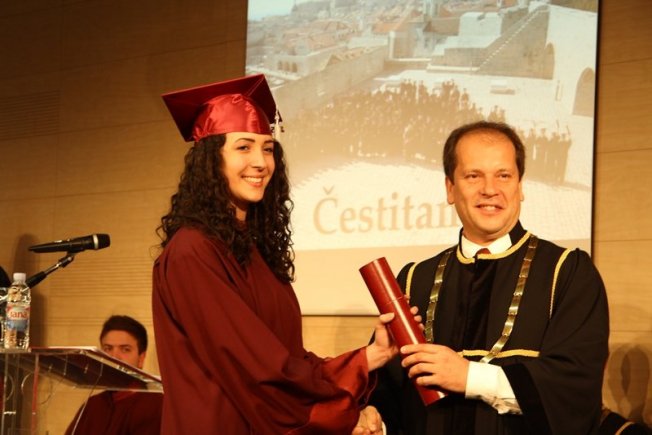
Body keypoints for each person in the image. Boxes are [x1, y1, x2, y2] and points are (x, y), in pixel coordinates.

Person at [153, 74, 405, 434]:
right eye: (243, 147)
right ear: (210, 160)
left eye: (268, 148)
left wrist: (370, 356)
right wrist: (343, 418)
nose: (260, 162)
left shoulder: (253, 250)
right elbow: (255, 370)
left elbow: (286, 361)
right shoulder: (192, 251)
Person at [369, 121, 610, 434]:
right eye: (473, 176)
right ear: (450, 189)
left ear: (520, 186)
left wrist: (469, 377)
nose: (489, 189)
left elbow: (575, 388)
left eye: (503, 175)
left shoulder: (567, 272)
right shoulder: (415, 278)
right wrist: (374, 418)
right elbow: (389, 393)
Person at [65, 315, 163, 435]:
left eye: (125, 349)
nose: (114, 357)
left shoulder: (155, 404)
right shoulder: (93, 404)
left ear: (141, 358)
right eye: (108, 349)